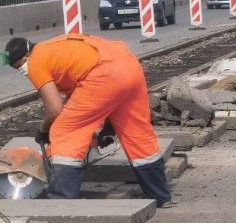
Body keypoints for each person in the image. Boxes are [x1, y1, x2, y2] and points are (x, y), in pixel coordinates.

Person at [3, 34, 171, 206]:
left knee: (64, 131)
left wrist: (44, 129)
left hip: (103, 76)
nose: (22, 70)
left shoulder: (35, 62)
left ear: (26, 56)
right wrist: (106, 124)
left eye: (19, 66)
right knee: (137, 134)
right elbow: (80, 102)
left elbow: (55, 108)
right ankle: (160, 195)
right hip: (129, 67)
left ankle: (61, 201)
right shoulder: (54, 47)